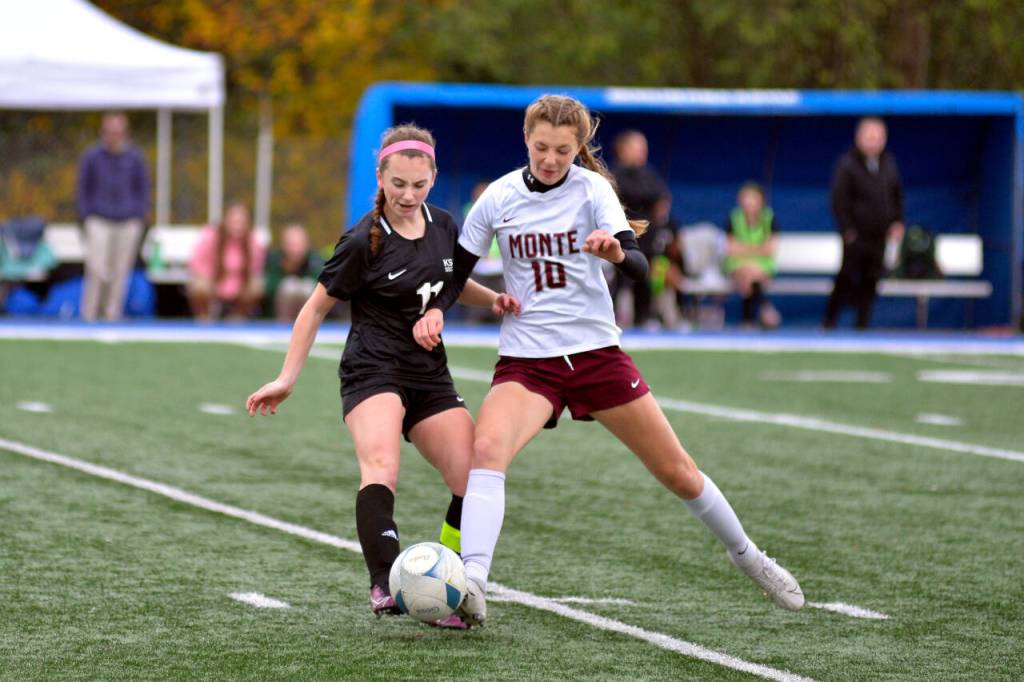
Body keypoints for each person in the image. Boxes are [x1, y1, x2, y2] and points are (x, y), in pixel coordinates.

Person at [412, 94, 804, 627]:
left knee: (678, 471)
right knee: (487, 448)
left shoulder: (594, 188)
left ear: (578, 148)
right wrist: (437, 308)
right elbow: (457, 272)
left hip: (596, 354)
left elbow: (641, 265)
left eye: (562, 150)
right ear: (526, 140)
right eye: (542, 147)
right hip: (528, 360)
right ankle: (475, 583)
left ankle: (750, 557)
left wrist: (616, 253)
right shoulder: (499, 197)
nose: (550, 159)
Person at [245, 124, 516, 628]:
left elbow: (454, 282)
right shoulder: (361, 242)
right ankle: (386, 580)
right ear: (381, 178)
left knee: (471, 480)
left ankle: (444, 583)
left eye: (418, 184)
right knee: (381, 468)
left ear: (433, 176)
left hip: (429, 375)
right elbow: (313, 310)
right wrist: (287, 377)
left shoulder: (445, 226)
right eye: (398, 185)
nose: (408, 195)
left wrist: (495, 300)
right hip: (373, 369)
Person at [824, 117, 905, 329]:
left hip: (879, 235)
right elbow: (838, 198)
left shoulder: (888, 163)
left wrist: (897, 221)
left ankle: (862, 327)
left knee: (872, 279)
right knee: (846, 278)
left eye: (878, 137)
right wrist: (847, 228)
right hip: (856, 235)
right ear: (859, 137)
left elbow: (896, 195)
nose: (874, 141)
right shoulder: (848, 163)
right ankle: (829, 322)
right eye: (869, 136)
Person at [76, 112, 150, 322]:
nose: (114, 135)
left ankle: (112, 315)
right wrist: (86, 214)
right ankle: (89, 315)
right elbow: (83, 188)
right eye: (110, 131)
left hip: (128, 221)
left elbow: (143, 188)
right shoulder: (92, 156)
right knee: (97, 269)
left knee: (121, 272)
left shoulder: (135, 157)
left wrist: (138, 214)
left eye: (118, 131)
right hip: (98, 219)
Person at [611, 129, 669, 329]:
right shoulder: (614, 174)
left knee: (645, 279)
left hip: (648, 240)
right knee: (619, 281)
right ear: (623, 149)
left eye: (643, 149)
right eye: (637, 148)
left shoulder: (649, 174)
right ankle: (612, 320)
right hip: (621, 238)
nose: (641, 153)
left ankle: (644, 319)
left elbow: (661, 198)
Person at [187, 201, 266, 321]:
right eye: (234, 221)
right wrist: (208, 279)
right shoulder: (210, 236)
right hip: (212, 282)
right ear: (225, 220)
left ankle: (237, 318)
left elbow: (256, 268)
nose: (237, 225)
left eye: (241, 222)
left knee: (256, 286)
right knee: (199, 285)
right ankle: (204, 320)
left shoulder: (252, 241)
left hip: (240, 285)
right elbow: (196, 263)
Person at [722, 182, 781, 329]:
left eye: (753, 198)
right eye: (746, 198)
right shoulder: (734, 218)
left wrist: (745, 249)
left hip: (762, 264)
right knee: (746, 274)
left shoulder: (769, 218)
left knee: (748, 275)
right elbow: (730, 249)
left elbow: (770, 249)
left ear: (761, 200)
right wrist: (757, 249)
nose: (749, 203)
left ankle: (747, 320)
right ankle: (764, 307)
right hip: (737, 264)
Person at [263, 223, 325, 321]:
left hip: (310, 314)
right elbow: (268, 289)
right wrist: (285, 272)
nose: (294, 250)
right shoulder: (275, 259)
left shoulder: (316, 261)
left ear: (307, 244)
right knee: (289, 286)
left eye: (298, 244)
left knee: (307, 287)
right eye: (291, 244)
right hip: (278, 315)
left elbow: (323, 288)